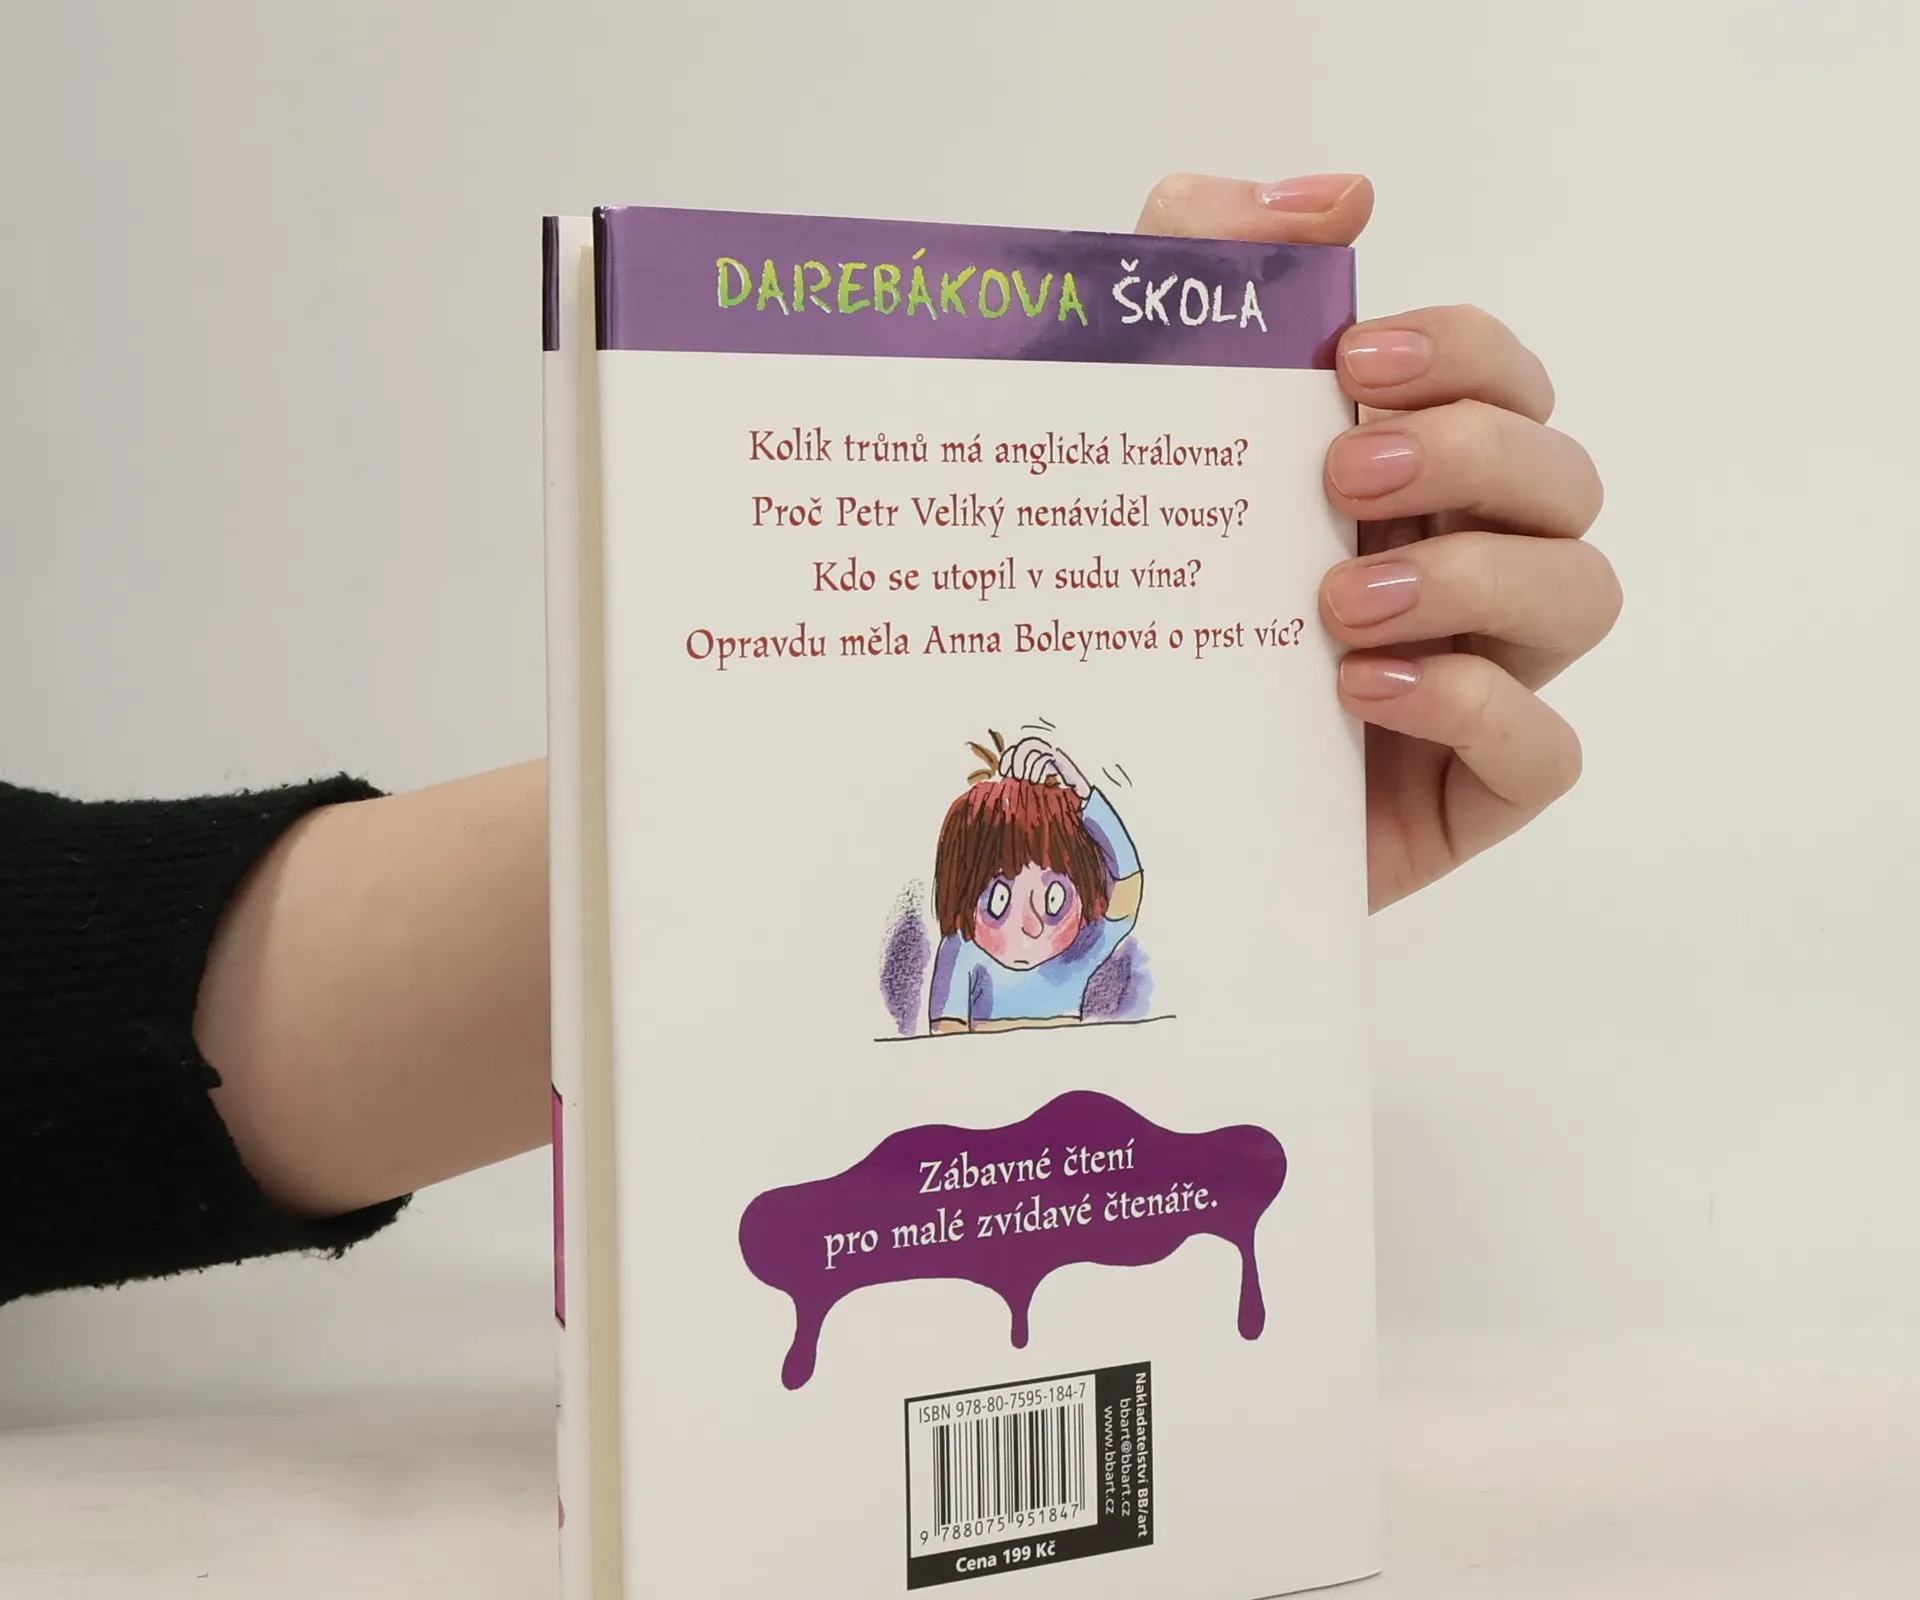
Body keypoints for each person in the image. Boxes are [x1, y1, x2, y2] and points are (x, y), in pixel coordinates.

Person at [0, 171, 1617, 1305]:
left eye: (1048, 897)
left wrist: (1103, 622)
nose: (1031, 916)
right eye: (1010, 898)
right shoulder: (962, 957)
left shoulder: (1087, 933)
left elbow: (63, 1011)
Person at [929, 737, 1142, 1035]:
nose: (1030, 926)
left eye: (1054, 899)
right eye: (998, 901)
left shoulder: (1080, 950)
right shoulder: (963, 951)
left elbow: (1128, 884)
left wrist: (1085, 796)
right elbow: (944, 1037)